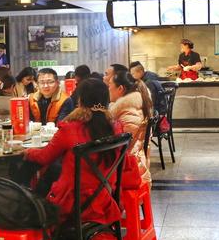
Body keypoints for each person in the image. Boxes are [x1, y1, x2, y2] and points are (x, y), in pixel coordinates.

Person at [23, 78, 137, 222]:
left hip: (73, 205)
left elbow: (44, 157)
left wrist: (28, 152)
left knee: (46, 176)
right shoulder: (116, 127)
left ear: (80, 100)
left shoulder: (69, 128)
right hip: (107, 201)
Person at [108, 71, 153, 187]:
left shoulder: (129, 110)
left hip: (130, 170)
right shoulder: (137, 103)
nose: (108, 89)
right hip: (136, 164)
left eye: (109, 85)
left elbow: (123, 147)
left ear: (120, 88)